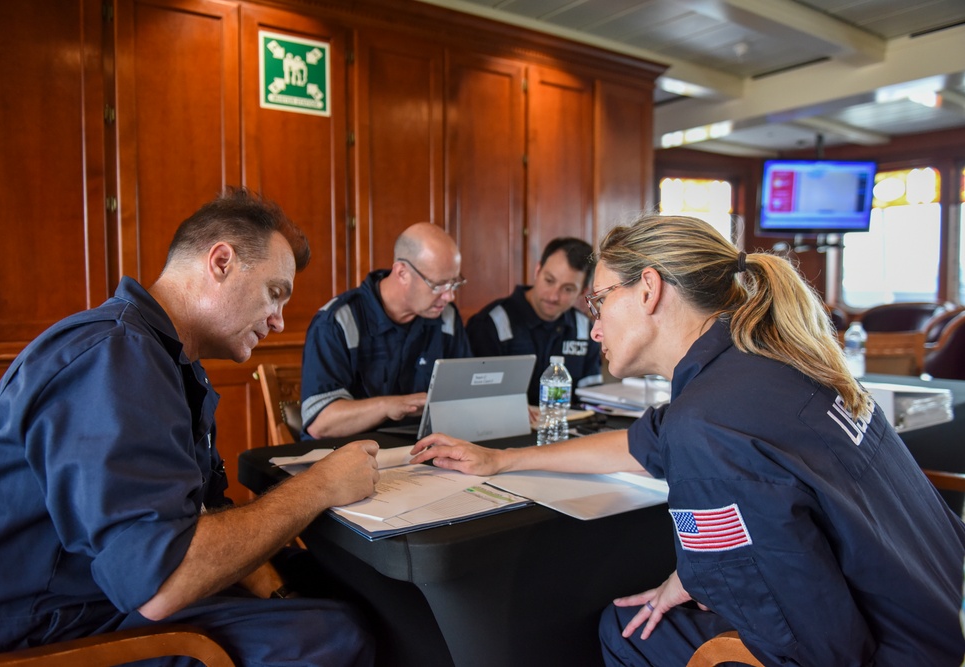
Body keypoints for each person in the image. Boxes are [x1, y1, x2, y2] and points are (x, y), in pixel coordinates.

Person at [410, 214, 965, 666]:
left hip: (894, 651)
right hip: (942, 615)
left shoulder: (709, 424)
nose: (595, 327)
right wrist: (502, 460)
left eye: (599, 301)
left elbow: (819, 645)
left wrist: (708, 579)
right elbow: (642, 443)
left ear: (648, 288)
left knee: (627, 633)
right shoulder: (765, 366)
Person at [0, 188, 378, 665]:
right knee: (335, 635)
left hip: (98, 600)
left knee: (317, 582)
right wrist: (320, 485)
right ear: (221, 261)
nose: (279, 321)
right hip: (45, 633)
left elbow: (198, 515)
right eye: (275, 293)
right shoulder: (114, 358)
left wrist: (284, 594)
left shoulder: (162, 360)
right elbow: (160, 582)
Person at [301, 222, 471, 438]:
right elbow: (320, 423)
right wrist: (391, 406)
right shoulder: (337, 322)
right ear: (402, 273)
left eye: (454, 284)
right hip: (346, 456)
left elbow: (466, 396)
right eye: (438, 285)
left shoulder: (447, 317)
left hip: (420, 452)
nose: (449, 297)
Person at [467, 237, 602, 405]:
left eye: (567, 289)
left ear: (583, 291)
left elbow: (592, 399)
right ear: (537, 270)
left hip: (567, 426)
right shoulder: (492, 323)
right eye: (549, 280)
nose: (553, 296)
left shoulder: (584, 329)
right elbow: (475, 396)